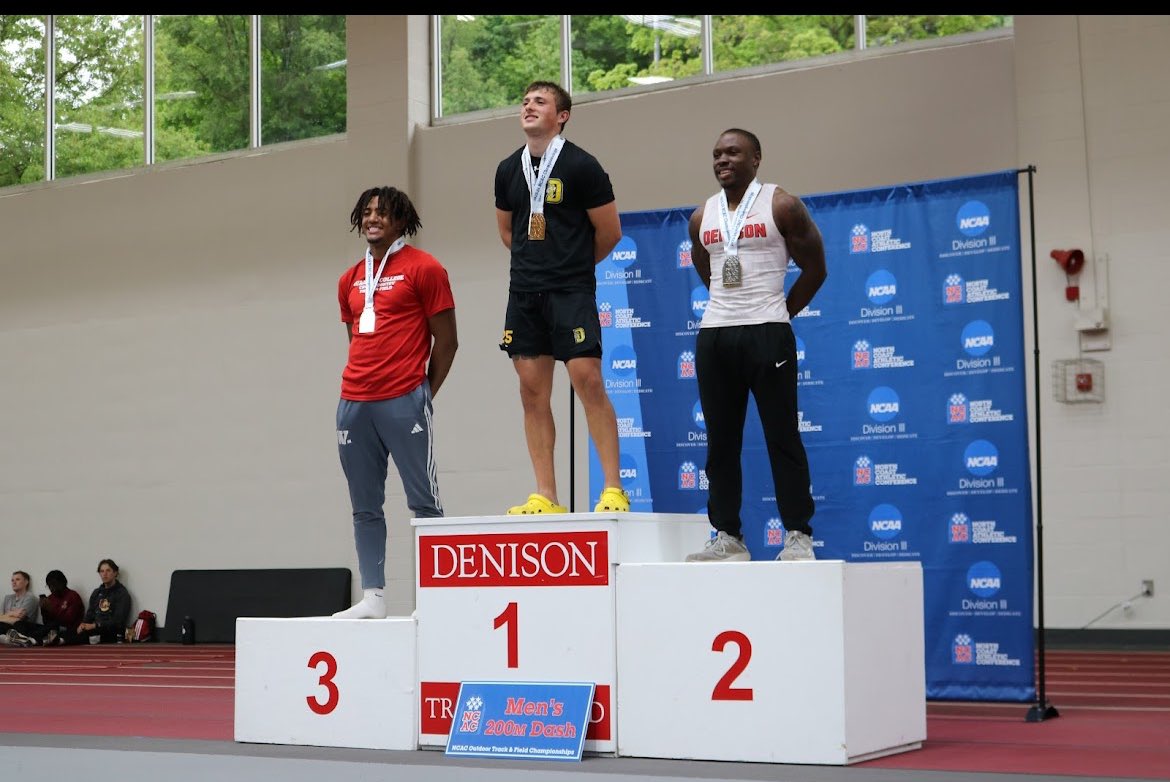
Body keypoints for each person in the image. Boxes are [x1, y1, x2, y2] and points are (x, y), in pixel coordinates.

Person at [684, 128, 827, 563]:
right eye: (716, 154)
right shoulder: (701, 216)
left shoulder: (781, 204)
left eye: (733, 152)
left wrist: (778, 312)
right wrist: (728, 306)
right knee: (720, 442)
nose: (722, 160)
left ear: (756, 158)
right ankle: (728, 535)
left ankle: (798, 535)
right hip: (715, 334)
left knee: (781, 437)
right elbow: (703, 265)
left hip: (768, 332)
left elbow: (816, 269)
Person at [494, 80, 628, 516]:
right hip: (524, 294)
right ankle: (546, 494)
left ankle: (612, 488)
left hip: (571, 291)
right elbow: (507, 231)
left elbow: (609, 233)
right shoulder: (506, 169)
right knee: (531, 393)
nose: (528, 106)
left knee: (588, 381)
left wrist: (569, 265)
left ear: (562, 115)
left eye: (540, 101)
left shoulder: (582, 165)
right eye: (525, 101)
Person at [332, 185, 458, 620]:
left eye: (383, 212)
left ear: (402, 221)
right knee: (364, 505)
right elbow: (356, 340)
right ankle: (374, 598)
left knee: (424, 502)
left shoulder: (426, 269)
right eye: (367, 211)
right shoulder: (350, 279)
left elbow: (448, 341)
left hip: (404, 399)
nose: (373, 218)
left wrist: (421, 394)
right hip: (354, 402)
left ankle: (438, 598)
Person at [60, 559, 132, 645]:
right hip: (93, 628)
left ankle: (62, 641)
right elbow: (89, 614)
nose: (104, 574)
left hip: (110, 631)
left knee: (88, 635)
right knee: (71, 631)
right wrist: (83, 625)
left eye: (108, 570)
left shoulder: (122, 593)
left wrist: (96, 625)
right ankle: (58, 639)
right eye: (102, 571)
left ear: (115, 573)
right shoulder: (97, 593)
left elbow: (118, 621)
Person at [0, 570, 41, 646]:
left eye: (17, 579)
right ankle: (11, 640)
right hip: (7, 627)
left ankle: (8, 639)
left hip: (23, 627)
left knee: (18, 624)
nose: (14, 582)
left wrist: (8, 614)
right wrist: (13, 613)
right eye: (12, 580)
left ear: (26, 582)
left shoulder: (30, 598)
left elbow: (20, 618)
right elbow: (1, 617)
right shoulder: (7, 598)